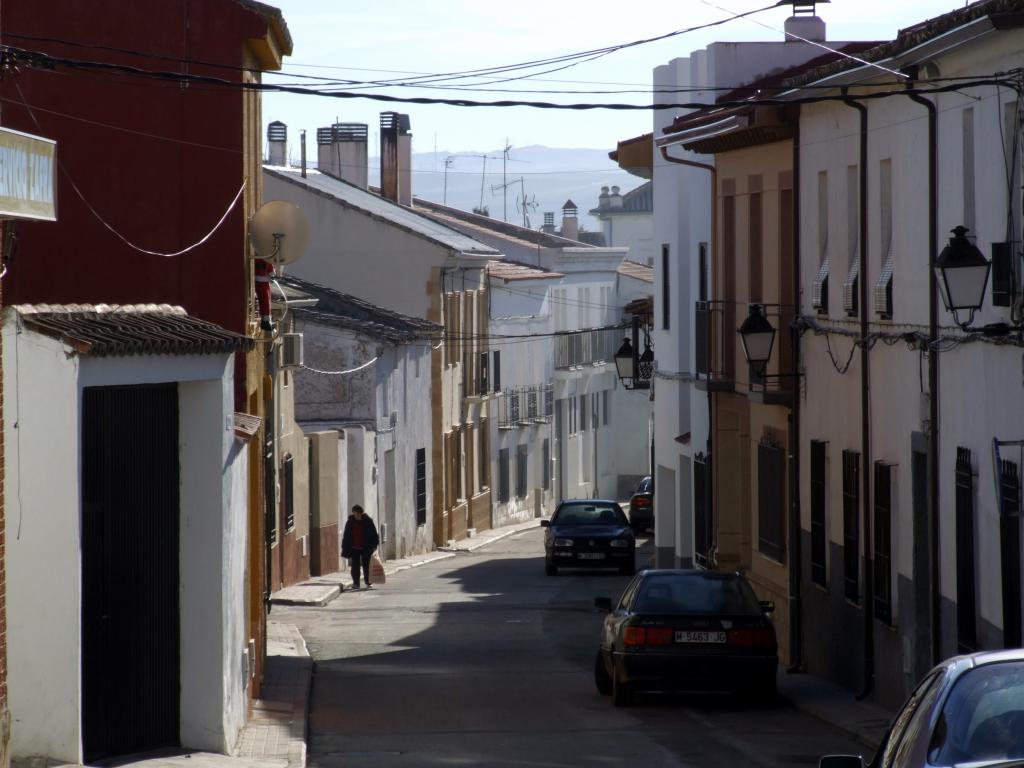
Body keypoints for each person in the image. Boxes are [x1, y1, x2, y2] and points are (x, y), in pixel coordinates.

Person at [341, 504, 380, 589]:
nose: (354, 515)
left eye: (355, 513)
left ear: (360, 513)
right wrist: (345, 546)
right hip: (354, 547)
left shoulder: (368, 521)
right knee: (355, 566)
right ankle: (356, 583)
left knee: (366, 565)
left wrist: (374, 545)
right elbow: (346, 535)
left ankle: (368, 582)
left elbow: (374, 534)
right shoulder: (350, 522)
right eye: (353, 513)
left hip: (366, 547)